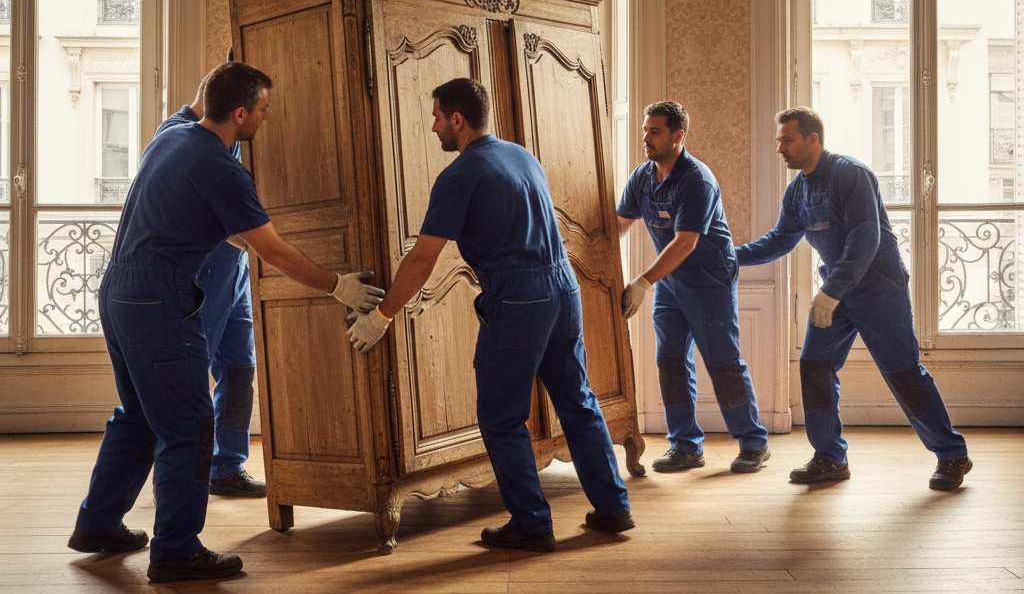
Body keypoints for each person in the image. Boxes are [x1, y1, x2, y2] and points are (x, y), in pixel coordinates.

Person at [67, 61, 384, 582]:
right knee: (189, 427)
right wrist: (338, 285)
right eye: (263, 110)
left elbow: (235, 233)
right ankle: (176, 550)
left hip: (119, 292)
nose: (267, 117)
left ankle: (97, 523)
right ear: (240, 114)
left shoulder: (171, 136)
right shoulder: (221, 167)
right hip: (159, 303)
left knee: (141, 414)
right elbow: (272, 250)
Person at [346, 77, 633, 552]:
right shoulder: (522, 155)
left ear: (457, 119)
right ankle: (614, 506)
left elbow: (422, 258)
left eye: (437, 116)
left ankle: (532, 524)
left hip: (519, 298)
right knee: (578, 401)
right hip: (563, 288)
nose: (434, 126)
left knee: (501, 418)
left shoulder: (459, 176)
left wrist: (382, 316)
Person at [736, 107, 971, 490]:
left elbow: (866, 239)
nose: (780, 148)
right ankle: (830, 458)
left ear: (813, 139)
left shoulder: (851, 174)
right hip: (837, 292)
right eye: (779, 140)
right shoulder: (798, 189)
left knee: (903, 372)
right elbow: (780, 239)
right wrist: (733, 256)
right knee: (814, 364)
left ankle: (952, 455)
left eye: (787, 139)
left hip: (879, 288)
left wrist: (829, 293)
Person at [617, 101, 770, 474]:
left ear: (677, 136)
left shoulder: (696, 179)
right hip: (670, 283)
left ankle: (753, 443)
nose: (646, 138)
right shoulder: (642, 177)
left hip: (709, 280)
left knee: (722, 362)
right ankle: (685, 446)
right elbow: (617, 225)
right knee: (669, 360)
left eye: (655, 132)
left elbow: (685, 242)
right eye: (644, 130)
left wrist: (641, 282)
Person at [153, 74, 264, 498]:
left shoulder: (232, 136)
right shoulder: (180, 132)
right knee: (191, 372)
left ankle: (227, 466)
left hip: (233, 268)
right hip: (204, 270)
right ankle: (181, 475)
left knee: (240, 368)